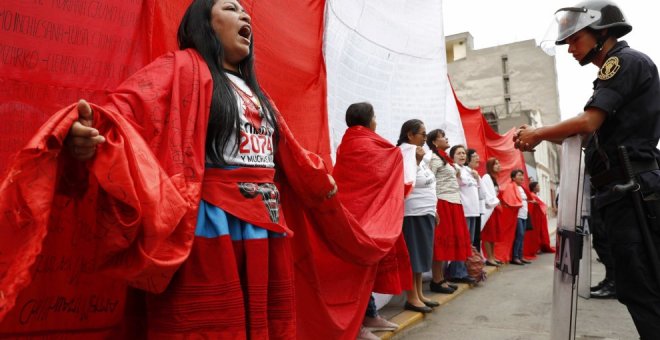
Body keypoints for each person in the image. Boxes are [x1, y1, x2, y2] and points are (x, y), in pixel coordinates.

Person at [0, 0, 351, 338]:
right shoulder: (181, 67)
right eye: (231, 9)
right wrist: (87, 131)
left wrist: (318, 178)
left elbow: (288, 151)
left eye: (246, 12)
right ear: (205, 24)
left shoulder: (259, 94)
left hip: (265, 227)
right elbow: (127, 109)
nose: (245, 16)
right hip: (210, 228)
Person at [514, 1, 660, 337]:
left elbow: (588, 122)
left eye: (575, 39)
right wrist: (540, 137)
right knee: (638, 287)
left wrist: (537, 132)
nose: (570, 49)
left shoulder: (622, 62)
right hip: (622, 190)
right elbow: (586, 140)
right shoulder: (613, 68)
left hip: (633, 189)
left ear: (602, 32)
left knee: (644, 289)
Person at [333, 102, 401, 339]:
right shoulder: (369, 144)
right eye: (375, 117)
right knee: (357, 273)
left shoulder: (348, 143)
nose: (377, 121)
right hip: (362, 217)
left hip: (353, 216)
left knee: (365, 269)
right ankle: (357, 326)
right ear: (369, 120)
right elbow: (391, 160)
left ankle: (369, 315)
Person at [395, 119, 438, 314]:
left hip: (425, 210)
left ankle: (419, 293)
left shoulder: (417, 152)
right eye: (422, 134)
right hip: (412, 212)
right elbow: (404, 180)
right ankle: (411, 297)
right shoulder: (404, 152)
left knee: (421, 254)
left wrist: (433, 208)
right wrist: (417, 161)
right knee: (414, 255)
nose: (425, 138)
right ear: (410, 135)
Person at [426, 130, 473, 292]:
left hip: (453, 202)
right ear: (434, 142)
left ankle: (442, 277)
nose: (446, 138)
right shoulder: (433, 158)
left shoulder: (445, 159)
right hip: (443, 202)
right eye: (442, 137)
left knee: (446, 243)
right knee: (440, 243)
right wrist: (433, 206)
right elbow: (430, 183)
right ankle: (437, 280)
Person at [481, 157, 502, 266]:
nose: (499, 165)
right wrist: (496, 202)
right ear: (490, 166)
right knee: (488, 234)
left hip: (494, 209)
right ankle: (489, 257)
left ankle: (492, 256)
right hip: (489, 209)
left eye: (498, 163)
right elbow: (487, 194)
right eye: (496, 164)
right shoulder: (486, 177)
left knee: (493, 234)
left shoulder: (494, 178)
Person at [510, 169, 530, 266]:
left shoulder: (521, 188)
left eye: (522, 175)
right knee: (520, 234)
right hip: (517, 215)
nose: (522, 177)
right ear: (513, 178)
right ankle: (515, 256)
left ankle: (521, 256)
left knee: (522, 236)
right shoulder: (512, 187)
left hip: (524, 214)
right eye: (519, 175)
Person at [465, 148, 483, 249]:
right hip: (466, 210)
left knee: (471, 240)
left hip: (475, 210)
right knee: (466, 239)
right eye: (475, 156)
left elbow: (482, 194)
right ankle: (460, 264)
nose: (478, 158)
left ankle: (469, 263)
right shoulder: (463, 171)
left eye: (477, 156)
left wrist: (477, 179)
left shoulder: (475, 173)